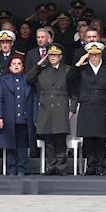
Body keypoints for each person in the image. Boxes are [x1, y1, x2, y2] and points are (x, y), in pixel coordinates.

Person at [26, 44, 74, 175]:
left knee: (60, 140)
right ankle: (51, 166)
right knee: (49, 141)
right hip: (45, 107)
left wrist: (73, 108)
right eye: (50, 55)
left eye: (55, 55)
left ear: (60, 56)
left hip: (61, 106)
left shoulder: (67, 70)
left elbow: (74, 90)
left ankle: (61, 166)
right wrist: (38, 64)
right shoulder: (41, 70)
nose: (52, 57)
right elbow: (29, 79)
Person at [73, 42, 106, 175]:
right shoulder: (82, 68)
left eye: (96, 55)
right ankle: (91, 166)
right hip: (87, 106)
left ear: (101, 55)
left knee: (100, 138)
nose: (94, 58)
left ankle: (101, 166)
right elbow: (70, 78)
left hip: (102, 107)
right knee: (88, 138)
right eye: (91, 55)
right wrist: (79, 62)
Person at [0, 56, 37, 176]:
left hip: (24, 118)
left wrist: (35, 116)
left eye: (19, 63)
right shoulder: (4, 80)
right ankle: (11, 168)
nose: (16, 65)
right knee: (10, 144)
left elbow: (34, 100)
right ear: (9, 67)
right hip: (9, 118)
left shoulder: (28, 79)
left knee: (23, 145)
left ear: (23, 67)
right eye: (14, 63)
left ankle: (22, 168)